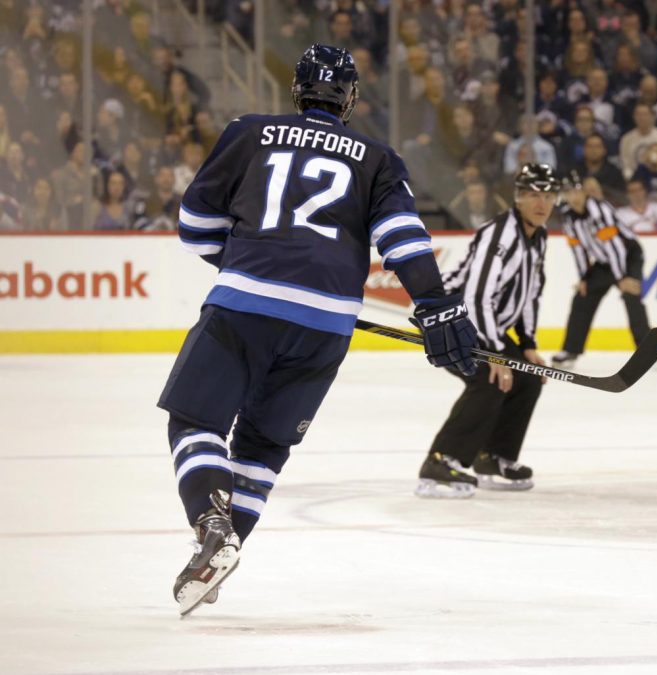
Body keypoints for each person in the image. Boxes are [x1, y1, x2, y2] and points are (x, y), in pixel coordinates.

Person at [157, 45, 478, 616]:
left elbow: (196, 226)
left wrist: (249, 259)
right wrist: (434, 303)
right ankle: (223, 553)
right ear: (349, 99)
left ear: (297, 91)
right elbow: (403, 237)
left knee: (196, 420)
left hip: (245, 303)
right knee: (263, 447)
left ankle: (212, 527)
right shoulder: (377, 158)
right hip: (326, 323)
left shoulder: (248, 132)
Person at [417, 163, 560, 498]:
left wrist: (527, 344)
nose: (541, 203)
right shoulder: (500, 234)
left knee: (526, 378)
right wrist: (494, 354)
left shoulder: (538, 237)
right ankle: (440, 461)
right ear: (518, 197)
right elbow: (476, 296)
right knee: (489, 378)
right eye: (533, 195)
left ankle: (493, 457)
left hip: (480, 325)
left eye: (548, 196)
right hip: (449, 319)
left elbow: (530, 293)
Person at [552, 171, 650, 370]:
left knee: (630, 295)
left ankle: (646, 351)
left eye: (576, 191)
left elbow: (615, 246)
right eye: (568, 192)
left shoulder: (599, 210)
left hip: (628, 256)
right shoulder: (568, 217)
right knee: (582, 298)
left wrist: (622, 277)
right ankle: (570, 350)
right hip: (604, 262)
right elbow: (578, 250)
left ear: (584, 192)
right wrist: (584, 278)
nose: (574, 196)